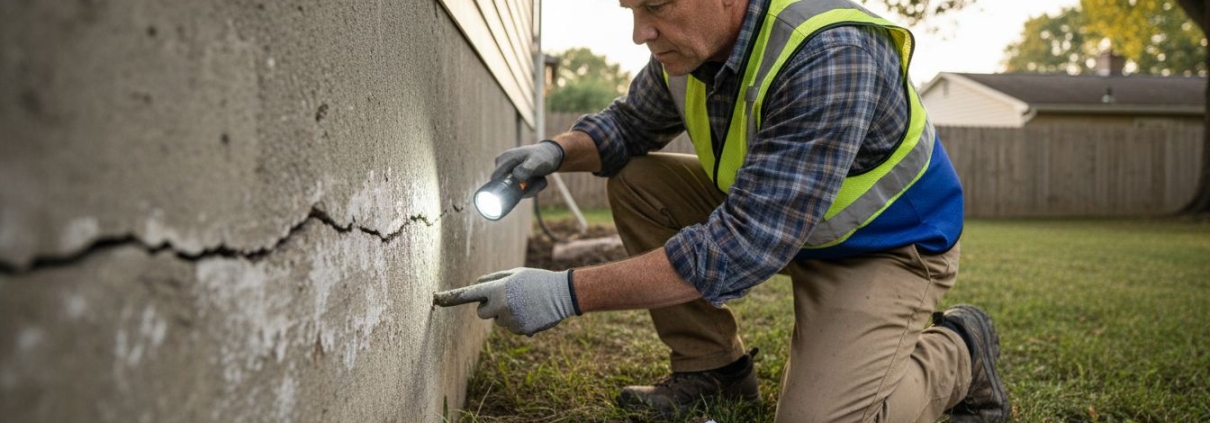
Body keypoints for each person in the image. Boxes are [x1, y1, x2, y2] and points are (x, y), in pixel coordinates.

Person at [435, 0, 1010, 421]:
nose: (641, 32)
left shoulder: (831, 55)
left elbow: (739, 249)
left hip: (884, 249)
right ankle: (713, 371)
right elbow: (627, 127)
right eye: (631, 9)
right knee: (636, 177)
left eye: (655, 7)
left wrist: (565, 292)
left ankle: (960, 349)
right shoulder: (689, 47)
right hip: (786, 224)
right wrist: (555, 152)